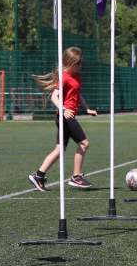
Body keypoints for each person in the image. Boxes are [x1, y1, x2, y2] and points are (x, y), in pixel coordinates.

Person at [28, 47, 98, 191]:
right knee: (84, 144)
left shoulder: (76, 75)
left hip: (68, 115)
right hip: (65, 116)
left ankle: (39, 175)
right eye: (78, 63)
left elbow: (78, 95)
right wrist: (64, 110)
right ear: (69, 62)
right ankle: (76, 177)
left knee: (60, 150)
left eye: (81, 63)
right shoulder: (65, 76)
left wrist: (87, 109)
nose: (80, 66)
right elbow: (55, 96)